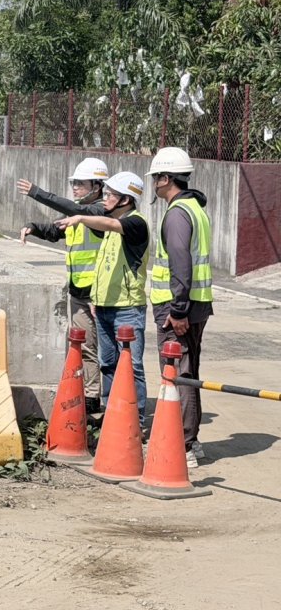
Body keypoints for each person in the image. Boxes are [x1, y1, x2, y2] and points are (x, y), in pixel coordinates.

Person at [55, 172, 149, 423]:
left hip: (128, 308)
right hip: (105, 307)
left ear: (126, 200)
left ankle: (135, 419)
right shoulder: (109, 224)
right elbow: (104, 267)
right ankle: (112, 415)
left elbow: (110, 225)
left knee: (132, 367)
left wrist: (80, 217)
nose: (105, 198)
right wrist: (96, 298)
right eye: (105, 193)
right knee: (107, 363)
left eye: (111, 194)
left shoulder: (135, 223)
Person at [18, 158, 109, 413]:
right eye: (74, 183)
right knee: (85, 346)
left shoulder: (100, 212)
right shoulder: (77, 214)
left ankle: (106, 399)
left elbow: (69, 207)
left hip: (99, 295)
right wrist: (33, 227)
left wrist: (38, 193)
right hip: (79, 291)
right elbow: (54, 229)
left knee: (108, 352)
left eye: (81, 183)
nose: (75, 188)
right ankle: (91, 396)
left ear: (97, 186)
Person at [147, 147, 213, 469]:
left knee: (178, 373)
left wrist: (178, 310)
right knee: (190, 373)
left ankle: (183, 445)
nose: (154, 185)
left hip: (178, 309)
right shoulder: (194, 208)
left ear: (165, 178)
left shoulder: (176, 214)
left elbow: (180, 265)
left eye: (156, 179)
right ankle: (193, 443)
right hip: (196, 306)